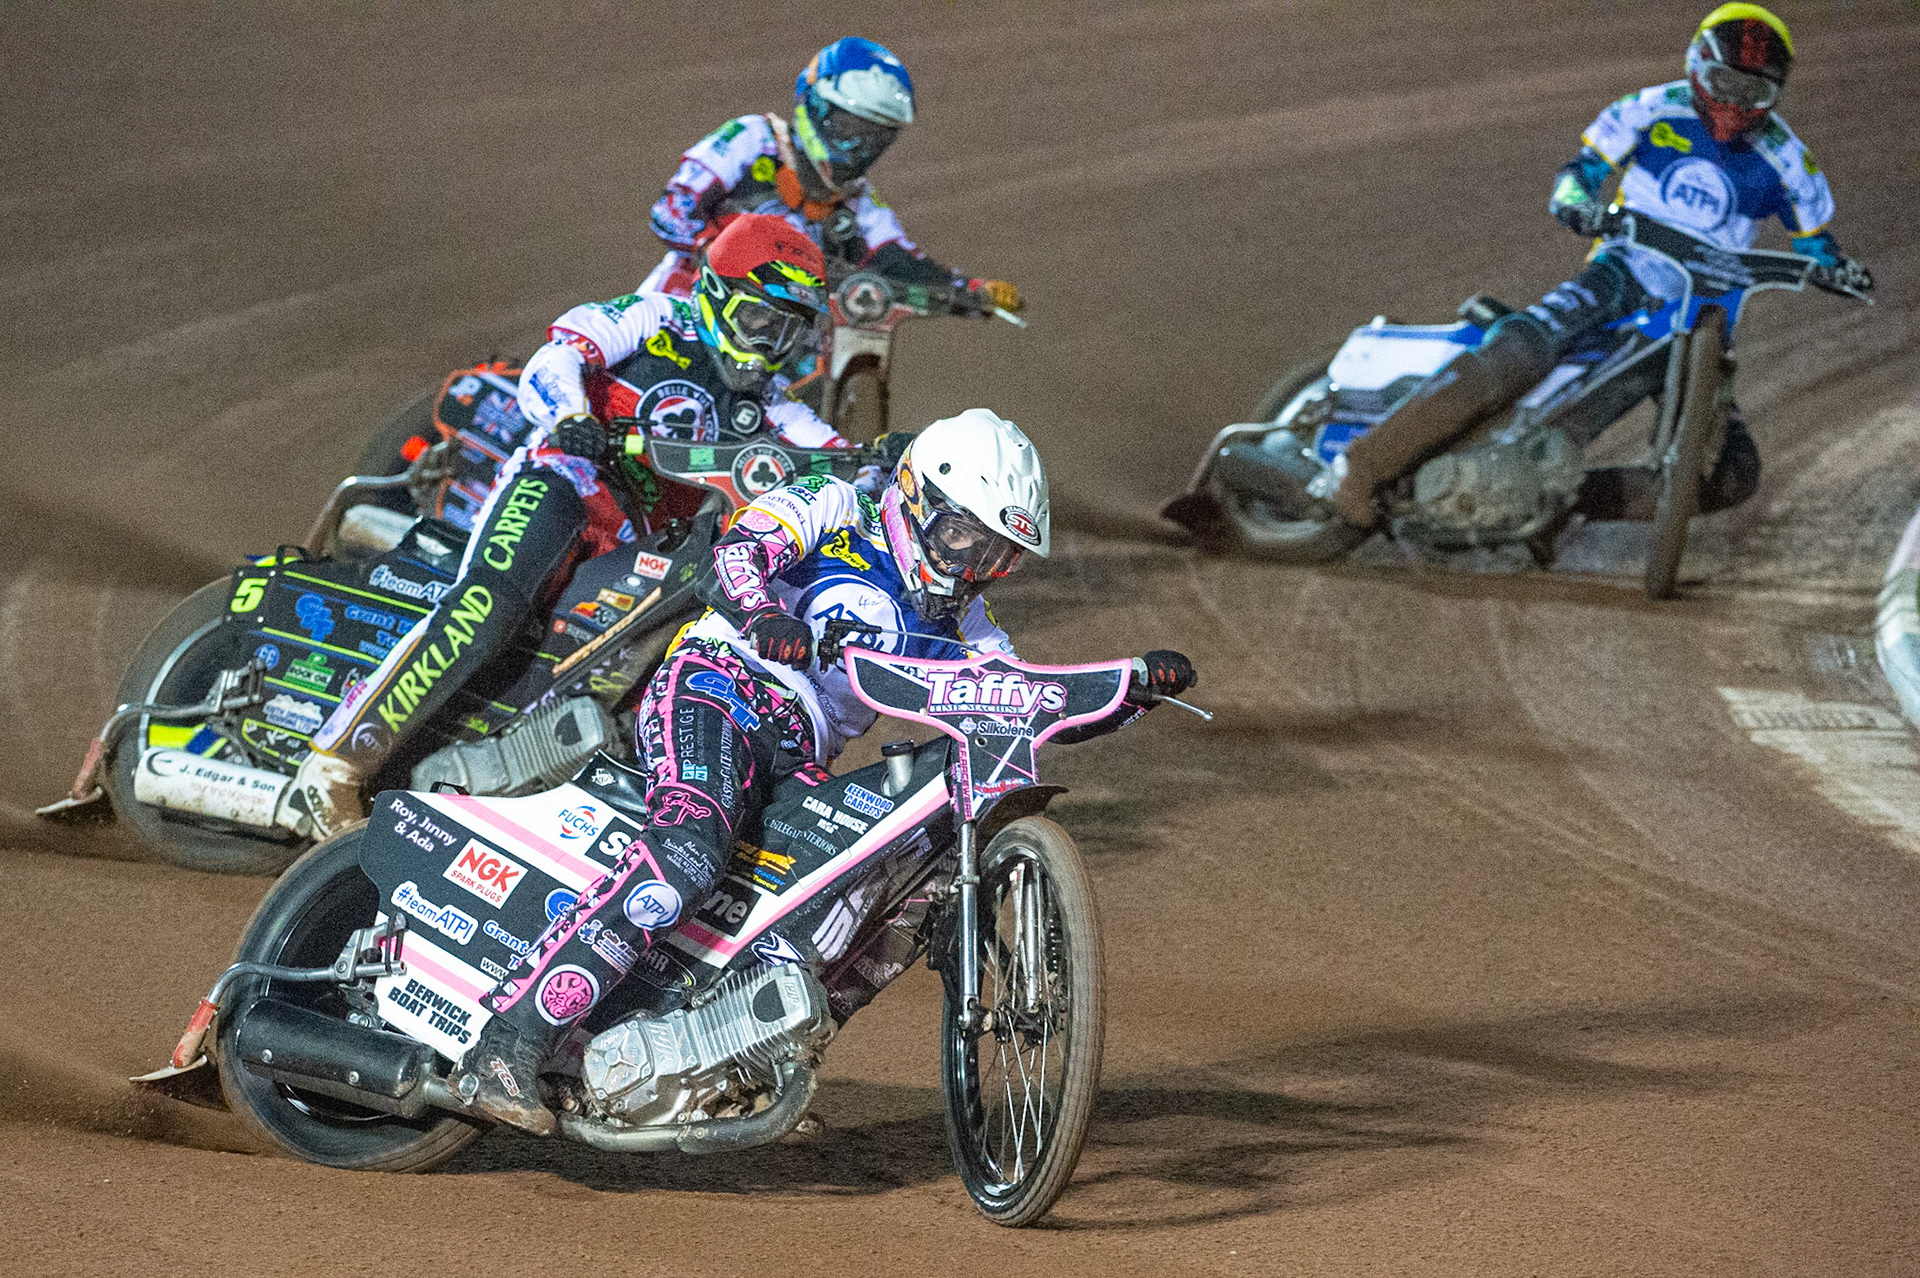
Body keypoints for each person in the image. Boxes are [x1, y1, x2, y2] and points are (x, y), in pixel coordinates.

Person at [455, 408, 1199, 1134]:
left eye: (994, 558)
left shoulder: (968, 625)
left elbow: (1017, 705)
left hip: (800, 752)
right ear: (916, 497)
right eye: (961, 537)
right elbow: (738, 551)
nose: (969, 568)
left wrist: (1129, 693)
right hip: (716, 686)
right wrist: (762, 616)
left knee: (869, 887)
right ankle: (508, 1042)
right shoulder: (839, 505)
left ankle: (744, 1057)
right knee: (688, 851)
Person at [281, 214, 851, 837]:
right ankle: (333, 764)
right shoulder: (654, 318)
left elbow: (834, 465)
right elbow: (557, 360)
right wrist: (571, 416)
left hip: (636, 544)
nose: (768, 346)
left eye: (786, 335)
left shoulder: (768, 404)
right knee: (486, 608)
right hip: (562, 484)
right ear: (717, 294)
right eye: (759, 323)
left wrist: (896, 471)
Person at [1328, 3, 1874, 530]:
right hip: (1625, 269)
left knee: (1732, 474)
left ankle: (1555, 503)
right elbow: (1581, 172)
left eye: (1753, 92)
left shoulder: (1788, 161)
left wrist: (1836, 270)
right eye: (1724, 83)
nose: (1734, 104)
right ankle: (1367, 463)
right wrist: (1576, 201)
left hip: (1701, 317)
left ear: (1774, 95)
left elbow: (1815, 244)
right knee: (1524, 345)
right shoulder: (1649, 107)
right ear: (1697, 65)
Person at [642, 37, 1022, 321]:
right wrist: (721, 251)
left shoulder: (857, 198)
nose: (858, 146)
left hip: (779, 340)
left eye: (875, 137)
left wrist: (970, 292)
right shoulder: (754, 138)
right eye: (851, 127)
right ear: (817, 105)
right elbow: (672, 209)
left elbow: (897, 260)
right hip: (684, 309)